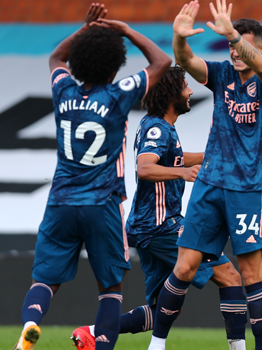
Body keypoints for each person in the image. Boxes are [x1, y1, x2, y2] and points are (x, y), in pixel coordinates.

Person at [13, 3, 171, 350]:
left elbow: (56, 58)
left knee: (44, 280)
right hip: (103, 205)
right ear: (116, 64)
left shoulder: (63, 90)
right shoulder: (118, 95)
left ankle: (29, 326)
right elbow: (162, 62)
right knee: (110, 289)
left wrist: (86, 29)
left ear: (79, 62)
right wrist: (125, 30)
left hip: (61, 203)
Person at [70, 66, 245, 350]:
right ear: (171, 92)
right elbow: (145, 168)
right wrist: (183, 174)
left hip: (150, 227)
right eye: (185, 86)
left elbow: (175, 157)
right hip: (161, 225)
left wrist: (212, 155)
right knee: (230, 277)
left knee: (163, 308)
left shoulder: (161, 127)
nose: (190, 92)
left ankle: (91, 332)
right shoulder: (156, 128)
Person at [147, 1, 262, 350]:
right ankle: (157, 344)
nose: (235, 52)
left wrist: (235, 36)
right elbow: (187, 60)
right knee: (184, 267)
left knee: (251, 275)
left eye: (242, 47)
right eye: (230, 47)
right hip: (209, 185)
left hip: (248, 190)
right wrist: (179, 38)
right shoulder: (222, 73)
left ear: (259, 47)